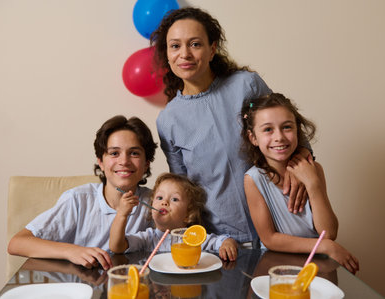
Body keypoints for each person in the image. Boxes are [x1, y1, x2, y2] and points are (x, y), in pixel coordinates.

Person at [151, 7, 310, 246]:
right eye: (175, 46)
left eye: (195, 44)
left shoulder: (247, 86)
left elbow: (289, 127)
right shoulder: (168, 121)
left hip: (284, 224)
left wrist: (301, 163)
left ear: (212, 48)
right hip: (226, 242)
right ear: (167, 53)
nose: (184, 54)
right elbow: (182, 190)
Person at [7, 115, 157, 270]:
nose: (124, 161)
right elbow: (17, 243)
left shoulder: (154, 202)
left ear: (146, 164)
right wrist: (71, 251)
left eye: (134, 153)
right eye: (114, 153)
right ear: (101, 162)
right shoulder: (77, 200)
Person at [240, 93, 360, 274]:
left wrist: (312, 183)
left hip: (319, 266)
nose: (279, 137)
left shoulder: (314, 169)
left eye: (287, 127)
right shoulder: (253, 179)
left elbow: (328, 233)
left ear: (298, 130)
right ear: (253, 138)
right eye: (267, 130)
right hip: (277, 268)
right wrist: (326, 247)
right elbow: (269, 239)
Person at [109, 172, 238, 261]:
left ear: (188, 214)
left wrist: (227, 244)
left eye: (174, 199)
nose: (164, 202)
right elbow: (116, 247)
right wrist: (122, 214)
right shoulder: (148, 238)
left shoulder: (193, 239)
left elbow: (223, 241)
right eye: (159, 197)